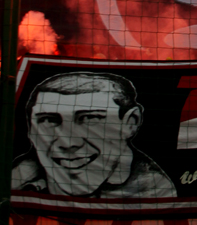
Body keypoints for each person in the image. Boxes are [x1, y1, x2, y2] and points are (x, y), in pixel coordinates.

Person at [12, 72, 176, 199]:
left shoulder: (155, 192)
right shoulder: (13, 182)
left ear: (130, 123)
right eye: (48, 120)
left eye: (90, 118)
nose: (69, 143)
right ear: (31, 130)